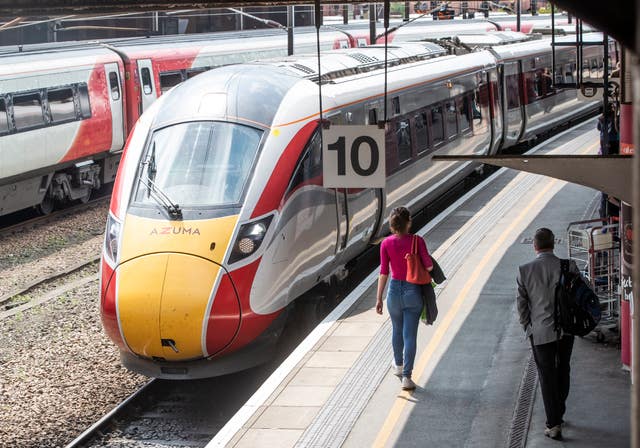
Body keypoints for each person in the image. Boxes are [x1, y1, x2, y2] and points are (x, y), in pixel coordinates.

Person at [516, 228, 579, 440]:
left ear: (535, 246)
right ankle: (558, 413)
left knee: (546, 375)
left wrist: (527, 327)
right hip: (566, 329)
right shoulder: (568, 265)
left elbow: (522, 305)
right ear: (553, 244)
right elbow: (579, 294)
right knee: (563, 368)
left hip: (540, 332)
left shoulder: (525, 270)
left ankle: (553, 424)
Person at [376, 207, 433, 391]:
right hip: (413, 292)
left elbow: (384, 272)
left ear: (392, 224)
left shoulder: (386, 244)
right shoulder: (418, 241)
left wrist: (379, 298)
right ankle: (407, 378)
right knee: (410, 335)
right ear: (409, 222)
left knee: (396, 330)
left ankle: (398, 365)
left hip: (393, 292)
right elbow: (430, 266)